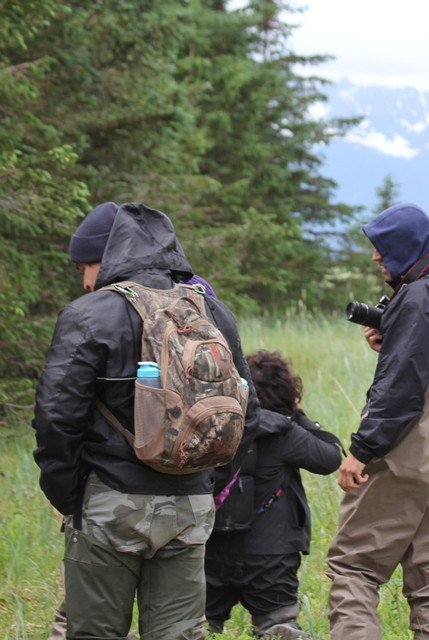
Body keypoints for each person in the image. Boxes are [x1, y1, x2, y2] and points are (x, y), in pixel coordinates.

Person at [33, 201, 260, 640]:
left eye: (86, 264)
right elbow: (247, 411)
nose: (84, 278)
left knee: (95, 634)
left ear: (110, 254)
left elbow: (55, 419)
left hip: (110, 501)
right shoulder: (214, 312)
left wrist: (70, 496)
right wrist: (205, 482)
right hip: (191, 508)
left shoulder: (89, 314)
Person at [325, 203, 429, 639]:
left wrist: (361, 452)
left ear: (405, 247)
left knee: (354, 566)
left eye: (382, 249)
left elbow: (400, 390)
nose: (376, 258)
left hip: (406, 461)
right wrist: (393, 341)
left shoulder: (417, 296)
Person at [205, 350, 343, 639]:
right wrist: (297, 414)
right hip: (270, 555)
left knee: (198, 625)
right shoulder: (285, 432)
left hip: (211, 547)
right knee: (278, 628)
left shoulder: (213, 426)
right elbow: (329, 457)